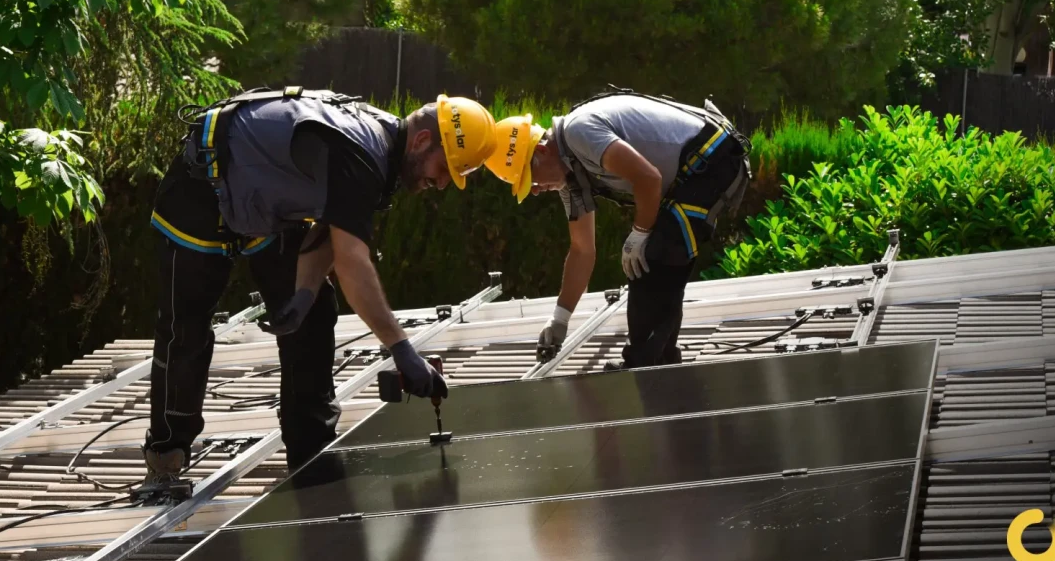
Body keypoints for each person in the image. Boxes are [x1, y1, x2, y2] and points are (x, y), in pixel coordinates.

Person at [143, 86, 498, 486]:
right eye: (445, 169)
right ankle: (167, 453)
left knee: (314, 316)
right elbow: (352, 262)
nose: (443, 183)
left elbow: (331, 229)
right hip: (202, 184)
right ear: (421, 141)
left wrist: (304, 294)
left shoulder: (383, 153)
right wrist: (401, 349)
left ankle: (311, 450)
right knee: (186, 328)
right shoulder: (360, 152)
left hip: (264, 201)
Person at [484, 87, 751, 372]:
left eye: (531, 179)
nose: (536, 190)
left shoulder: (579, 132)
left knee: (654, 255)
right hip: (696, 170)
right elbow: (582, 250)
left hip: (713, 159)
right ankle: (661, 364)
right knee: (659, 257)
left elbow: (648, 179)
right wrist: (560, 319)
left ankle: (644, 365)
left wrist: (640, 234)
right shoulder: (570, 175)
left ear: (540, 151)